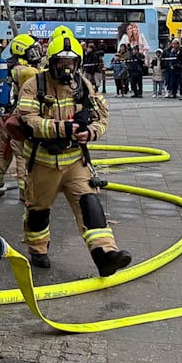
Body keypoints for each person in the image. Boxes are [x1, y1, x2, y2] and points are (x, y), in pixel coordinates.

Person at [17, 34, 130, 277]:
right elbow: (29, 121)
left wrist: (90, 133)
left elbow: (102, 117)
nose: (67, 68)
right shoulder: (34, 85)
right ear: (51, 62)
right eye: (62, 62)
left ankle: (105, 255)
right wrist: (62, 128)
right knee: (39, 210)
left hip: (75, 161)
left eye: (71, 63)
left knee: (90, 204)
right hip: (43, 162)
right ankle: (37, 249)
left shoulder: (84, 85)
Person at [0, 34, 41, 192]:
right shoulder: (22, 70)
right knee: (23, 155)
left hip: (4, 117)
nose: (36, 53)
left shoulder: (5, 67)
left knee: (2, 152)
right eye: (32, 50)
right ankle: (26, 192)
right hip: (17, 119)